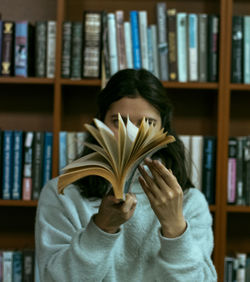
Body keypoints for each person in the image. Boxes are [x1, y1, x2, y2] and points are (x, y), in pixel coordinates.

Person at [35, 69, 217, 281]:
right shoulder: (62, 193)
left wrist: (175, 227)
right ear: (100, 126)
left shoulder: (190, 202)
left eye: (148, 123)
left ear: (163, 132)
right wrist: (102, 227)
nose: (132, 135)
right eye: (118, 121)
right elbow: (54, 278)